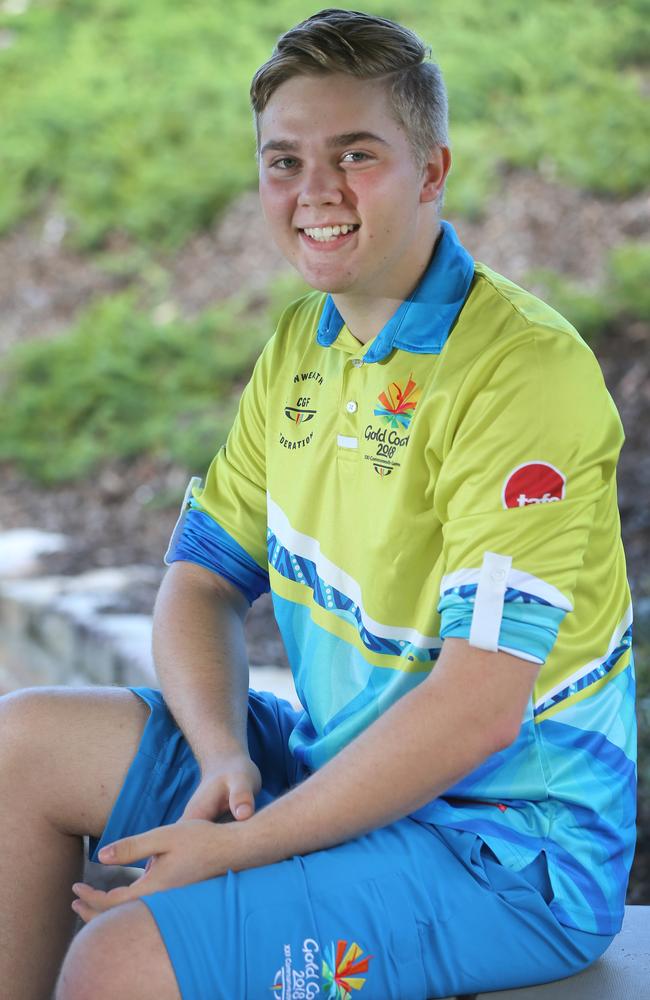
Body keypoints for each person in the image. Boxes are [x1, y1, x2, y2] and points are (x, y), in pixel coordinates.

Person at [0, 9, 636, 1000]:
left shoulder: (522, 373)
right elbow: (200, 581)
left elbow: (476, 710)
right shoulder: (304, 342)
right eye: (283, 161)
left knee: (120, 962)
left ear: (431, 171)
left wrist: (238, 848)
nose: (314, 192)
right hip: (323, 773)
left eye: (355, 154)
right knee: (22, 745)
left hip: (505, 853)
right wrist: (220, 760)